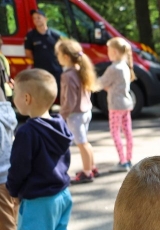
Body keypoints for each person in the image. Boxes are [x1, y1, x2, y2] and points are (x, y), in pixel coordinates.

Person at [0, 69, 72, 230]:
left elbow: (19, 167)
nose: (13, 99)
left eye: (15, 95)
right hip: (61, 195)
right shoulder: (59, 124)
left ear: (27, 99)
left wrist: (13, 190)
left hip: (39, 199)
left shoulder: (27, 131)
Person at [56, 39, 97, 184]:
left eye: (58, 54)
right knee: (85, 142)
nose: (57, 57)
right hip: (86, 111)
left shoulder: (67, 75)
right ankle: (91, 167)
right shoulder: (81, 69)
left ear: (66, 57)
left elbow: (70, 100)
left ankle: (87, 173)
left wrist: (62, 114)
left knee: (82, 143)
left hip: (75, 115)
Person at [97, 37, 135, 172]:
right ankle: (129, 159)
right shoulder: (124, 66)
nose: (107, 53)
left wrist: (88, 82)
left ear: (115, 52)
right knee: (127, 132)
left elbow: (101, 82)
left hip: (115, 105)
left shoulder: (113, 68)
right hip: (126, 104)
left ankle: (122, 162)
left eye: (108, 50)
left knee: (115, 133)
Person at [0, 52, 17, 230]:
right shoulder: (6, 108)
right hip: (9, 174)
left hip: (1, 175)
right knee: (10, 217)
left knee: (5, 222)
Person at [24, 9, 62, 98]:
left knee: (59, 94)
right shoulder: (30, 36)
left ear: (45, 19)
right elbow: (28, 53)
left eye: (38, 18)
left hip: (56, 70)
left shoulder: (55, 35)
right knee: (42, 95)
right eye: (34, 18)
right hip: (40, 72)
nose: (36, 20)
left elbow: (61, 51)